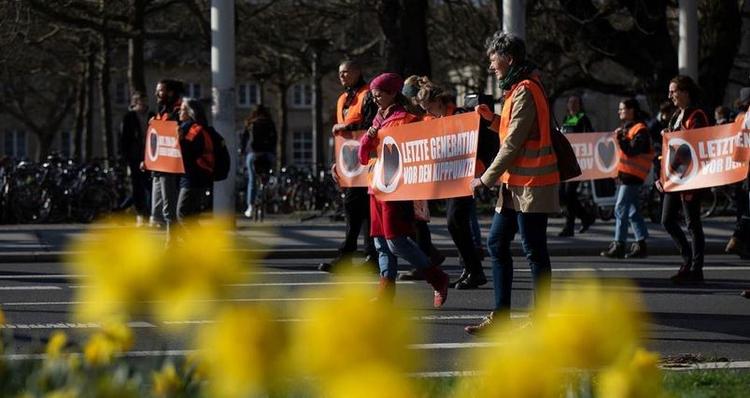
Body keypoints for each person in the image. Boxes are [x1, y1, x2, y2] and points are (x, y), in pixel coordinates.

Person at [465, 32, 560, 334]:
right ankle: (501, 315)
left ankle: (540, 319)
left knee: (534, 250)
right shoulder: (516, 89)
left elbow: (513, 144)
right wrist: (491, 119)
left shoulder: (524, 90)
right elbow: (511, 133)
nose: (491, 66)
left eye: (493, 59)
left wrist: (485, 178)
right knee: (497, 243)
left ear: (507, 58)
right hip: (516, 184)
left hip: (531, 184)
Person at [358, 72, 449, 306]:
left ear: (392, 94)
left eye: (379, 95)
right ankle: (385, 293)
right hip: (376, 185)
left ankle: (437, 279)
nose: (375, 99)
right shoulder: (379, 118)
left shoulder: (407, 119)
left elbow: (424, 146)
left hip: (395, 187)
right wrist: (368, 138)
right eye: (374, 95)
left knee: (395, 240)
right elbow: (362, 157)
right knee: (380, 241)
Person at [415, 78, 487, 289]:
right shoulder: (436, 119)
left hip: (466, 176)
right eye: (425, 110)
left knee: (455, 222)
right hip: (451, 178)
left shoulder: (459, 115)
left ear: (439, 101)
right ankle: (472, 269)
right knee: (456, 224)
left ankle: (475, 270)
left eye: (430, 108)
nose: (429, 113)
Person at [319, 60, 378, 272]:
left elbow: (371, 124)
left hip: (366, 162)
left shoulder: (367, 95)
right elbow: (342, 138)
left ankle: (351, 256)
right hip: (351, 163)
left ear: (357, 71)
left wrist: (347, 126)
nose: (342, 76)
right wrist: (338, 163)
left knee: (357, 209)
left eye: (346, 72)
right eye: (340, 72)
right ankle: (368, 256)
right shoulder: (344, 98)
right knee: (359, 210)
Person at [658, 75, 709, 284]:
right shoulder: (675, 116)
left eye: (674, 91)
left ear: (685, 92)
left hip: (691, 177)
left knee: (692, 223)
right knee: (667, 220)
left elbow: (697, 140)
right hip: (675, 177)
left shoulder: (697, 115)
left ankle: (696, 269)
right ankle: (688, 260)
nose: (670, 96)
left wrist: (674, 135)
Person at [600, 98, 653, 258]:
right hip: (627, 175)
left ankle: (619, 244)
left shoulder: (640, 129)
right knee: (632, 211)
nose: (619, 112)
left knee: (620, 208)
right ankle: (641, 244)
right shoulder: (629, 129)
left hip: (633, 176)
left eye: (622, 109)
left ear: (631, 110)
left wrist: (621, 139)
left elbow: (632, 151)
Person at [151, 79, 184, 245]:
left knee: (169, 208)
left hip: (170, 167)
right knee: (158, 212)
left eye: (160, 90)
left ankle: (172, 244)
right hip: (159, 167)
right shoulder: (162, 111)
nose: (157, 93)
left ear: (170, 92)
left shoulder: (178, 112)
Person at [558, 94, 595, 237]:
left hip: (578, 163)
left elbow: (589, 137)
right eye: (570, 102)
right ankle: (586, 216)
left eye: (575, 102)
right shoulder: (566, 119)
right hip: (566, 162)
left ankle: (570, 226)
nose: (572, 105)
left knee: (569, 193)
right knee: (563, 194)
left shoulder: (583, 119)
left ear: (580, 105)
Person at [119, 91, 154, 226]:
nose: (144, 104)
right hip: (135, 156)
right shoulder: (129, 117)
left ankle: (150, 213)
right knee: (137, 186)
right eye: (141, 101)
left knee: (150, 185)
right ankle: (140, 213)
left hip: (150, 155)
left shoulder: (152, 115)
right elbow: (124, 138)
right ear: (135, 103)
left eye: (145, 101)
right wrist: (125, 157)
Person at [176, 98, 213, 221]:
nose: (179, 113)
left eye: (182, 110)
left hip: (192, 177)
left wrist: (180, 140)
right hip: (196, 177)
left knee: (183, 214)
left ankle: (201, 241)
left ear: (190, 113)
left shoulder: (193, 130)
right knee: (191, 217)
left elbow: (189, 154)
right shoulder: (191, 128)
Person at [726, 88, 750, 258]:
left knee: (743, 207)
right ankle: (737, 237)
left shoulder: (739, 117)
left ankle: (742, 243)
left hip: (740, 169)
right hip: (747, 168)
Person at [241, 105, 277, 218]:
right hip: (267, 154)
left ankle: (250, 206)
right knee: (268, 176)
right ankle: (265, 195)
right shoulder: (270, 123)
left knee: (252, 179)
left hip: (253, 154)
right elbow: (275, 139)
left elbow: (244, 140)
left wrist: (242, 151)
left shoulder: (250, 124)